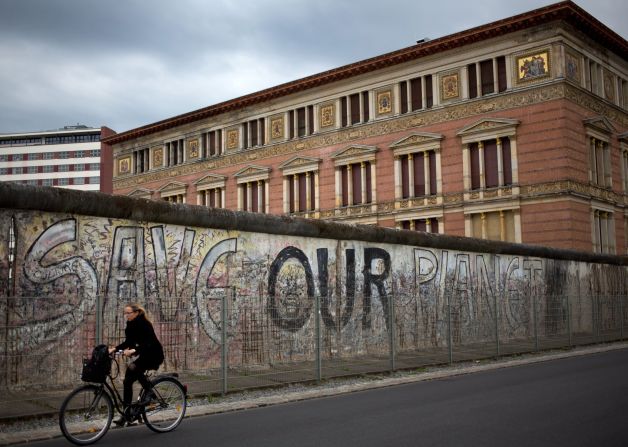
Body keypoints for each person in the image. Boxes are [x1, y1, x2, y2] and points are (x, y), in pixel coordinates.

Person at [109, 303, 164, 426]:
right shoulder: (130, 325)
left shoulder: (145, 324)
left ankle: (150, 392)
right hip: (144, 355)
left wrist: (134, 351)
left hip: (154, 355)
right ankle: (127, 415)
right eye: (125, 313)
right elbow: (128, 342)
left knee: (134, 368)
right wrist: (114, 349)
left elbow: (148, 343)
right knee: (127, 380)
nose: (126, 315)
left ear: (136, 312)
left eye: (128, 313)